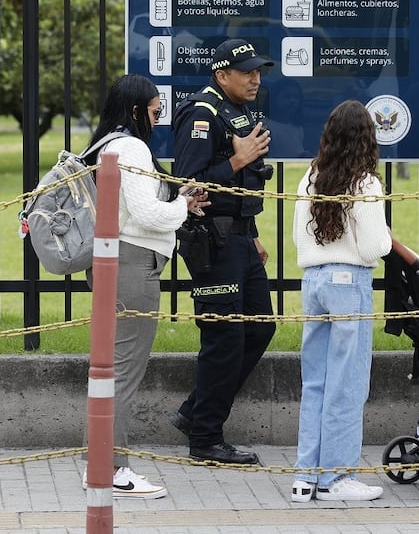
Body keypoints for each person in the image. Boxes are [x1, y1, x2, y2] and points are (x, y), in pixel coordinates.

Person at [82, 74, 209, 498]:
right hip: (133, 265)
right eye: (155, 111)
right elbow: (147, 214)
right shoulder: (131, 147)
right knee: (123, 370)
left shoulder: (104, 144)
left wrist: (176, 201)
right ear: (137, 110)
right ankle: (113, 468)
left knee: (110, 368)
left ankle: (102, 464)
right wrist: (182, 205)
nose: (158, 119)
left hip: (115, 262)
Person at [169, 38, 277, 465]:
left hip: (240, 238)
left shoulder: (238, 110)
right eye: (246, 72)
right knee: (224, 339)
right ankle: (205, 439)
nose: (255, 79)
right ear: (221, 75)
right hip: (211, 242)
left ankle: (195, 412)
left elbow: (241, 187)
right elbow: (188, 184)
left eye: (258, 71)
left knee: (260, 328)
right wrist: (237, 160)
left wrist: (251, 232)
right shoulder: (202, 113)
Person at [290, 100, 392, 503]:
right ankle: (336, 477)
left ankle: (306, 476)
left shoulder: (310, 177)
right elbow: (375, 246)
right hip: (350, 283)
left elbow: (298, 238)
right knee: (347, 385)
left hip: (314, 280)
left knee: (316, 382)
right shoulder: (365, 183)